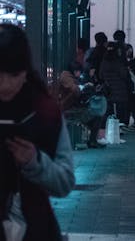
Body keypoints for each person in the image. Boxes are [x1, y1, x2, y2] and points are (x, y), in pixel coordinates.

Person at [0, 24, 75, 239]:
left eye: (13, 75)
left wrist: (34, 162)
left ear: (25, 71)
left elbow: (65, 182)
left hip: (35, 228)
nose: (4, 84)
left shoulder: (44, 111)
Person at [98, 40, 132, 127]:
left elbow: (100, 75)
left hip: (108, 90)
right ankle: (120, 127)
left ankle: (109, 127)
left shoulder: (103, 62)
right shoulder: (118, 62)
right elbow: (124, 75)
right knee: (121, 111)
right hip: (120, 90)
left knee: (109, 111)